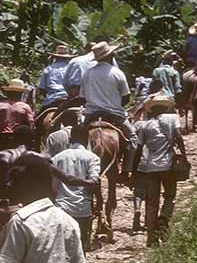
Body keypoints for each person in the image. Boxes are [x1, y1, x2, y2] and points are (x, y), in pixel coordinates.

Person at [131, 94, 187, 246]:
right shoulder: (172, 119)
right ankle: (163, 219)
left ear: (152, 109)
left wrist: (134, 169)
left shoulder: (145, 125)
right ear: (166, 107)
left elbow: (139, 148)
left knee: (151, 203)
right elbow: (179, 138)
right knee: (170, 196)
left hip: (150, 168)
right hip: (168, 166)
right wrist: (184, 157)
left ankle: (151, 238)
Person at [80, 41, 137, 174]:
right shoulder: (117, 73)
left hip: (91, 115)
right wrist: (115, 105)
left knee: (75, 138)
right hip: (115, 114)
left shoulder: (87, 73)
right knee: (133, 138)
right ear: (111, 56)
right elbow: (126, 98)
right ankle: (126, 170)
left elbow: (82, 98)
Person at [51, 122, 101, 250]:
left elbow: (53, 187)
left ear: (71, 139)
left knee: (60, 248)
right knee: (81, 246)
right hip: (82, 208)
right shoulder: (93, 158)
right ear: (87, 140)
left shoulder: (57, 158)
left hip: (61, 208)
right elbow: (94, 182)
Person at [0, 79, 36, 151]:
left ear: (8, 93)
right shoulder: (25, 107)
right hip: (18, 140)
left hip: (1, 138)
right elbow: (31, 125)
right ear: (21, 94)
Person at [37, 44, 73, 109]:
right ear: (67, 57)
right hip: (69, 99)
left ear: (55, 57)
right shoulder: (72, 68)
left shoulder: (48, 69)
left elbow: (41, 88)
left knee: (38, 118)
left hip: (52, 99)